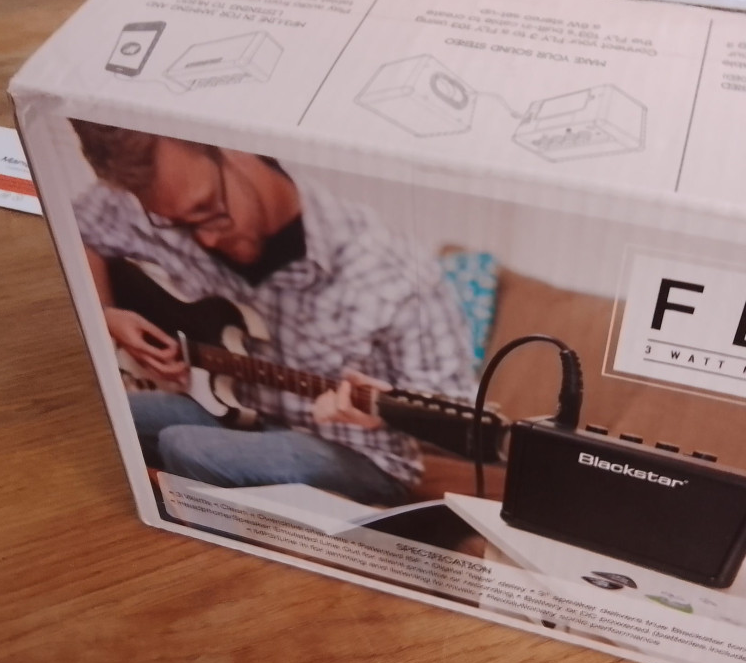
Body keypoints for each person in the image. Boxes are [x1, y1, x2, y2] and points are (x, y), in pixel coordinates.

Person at [70, 120, 476, 506]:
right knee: (106, 411)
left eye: (207, 208)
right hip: (244, 413)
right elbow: (79, 227)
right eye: (177, 225)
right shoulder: (161, 199)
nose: (205, 240)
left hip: (362, 454)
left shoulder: (394, 271)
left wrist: (385, 412)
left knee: (187, 446)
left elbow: (460, 421)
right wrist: (107, 314)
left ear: (237, 147)